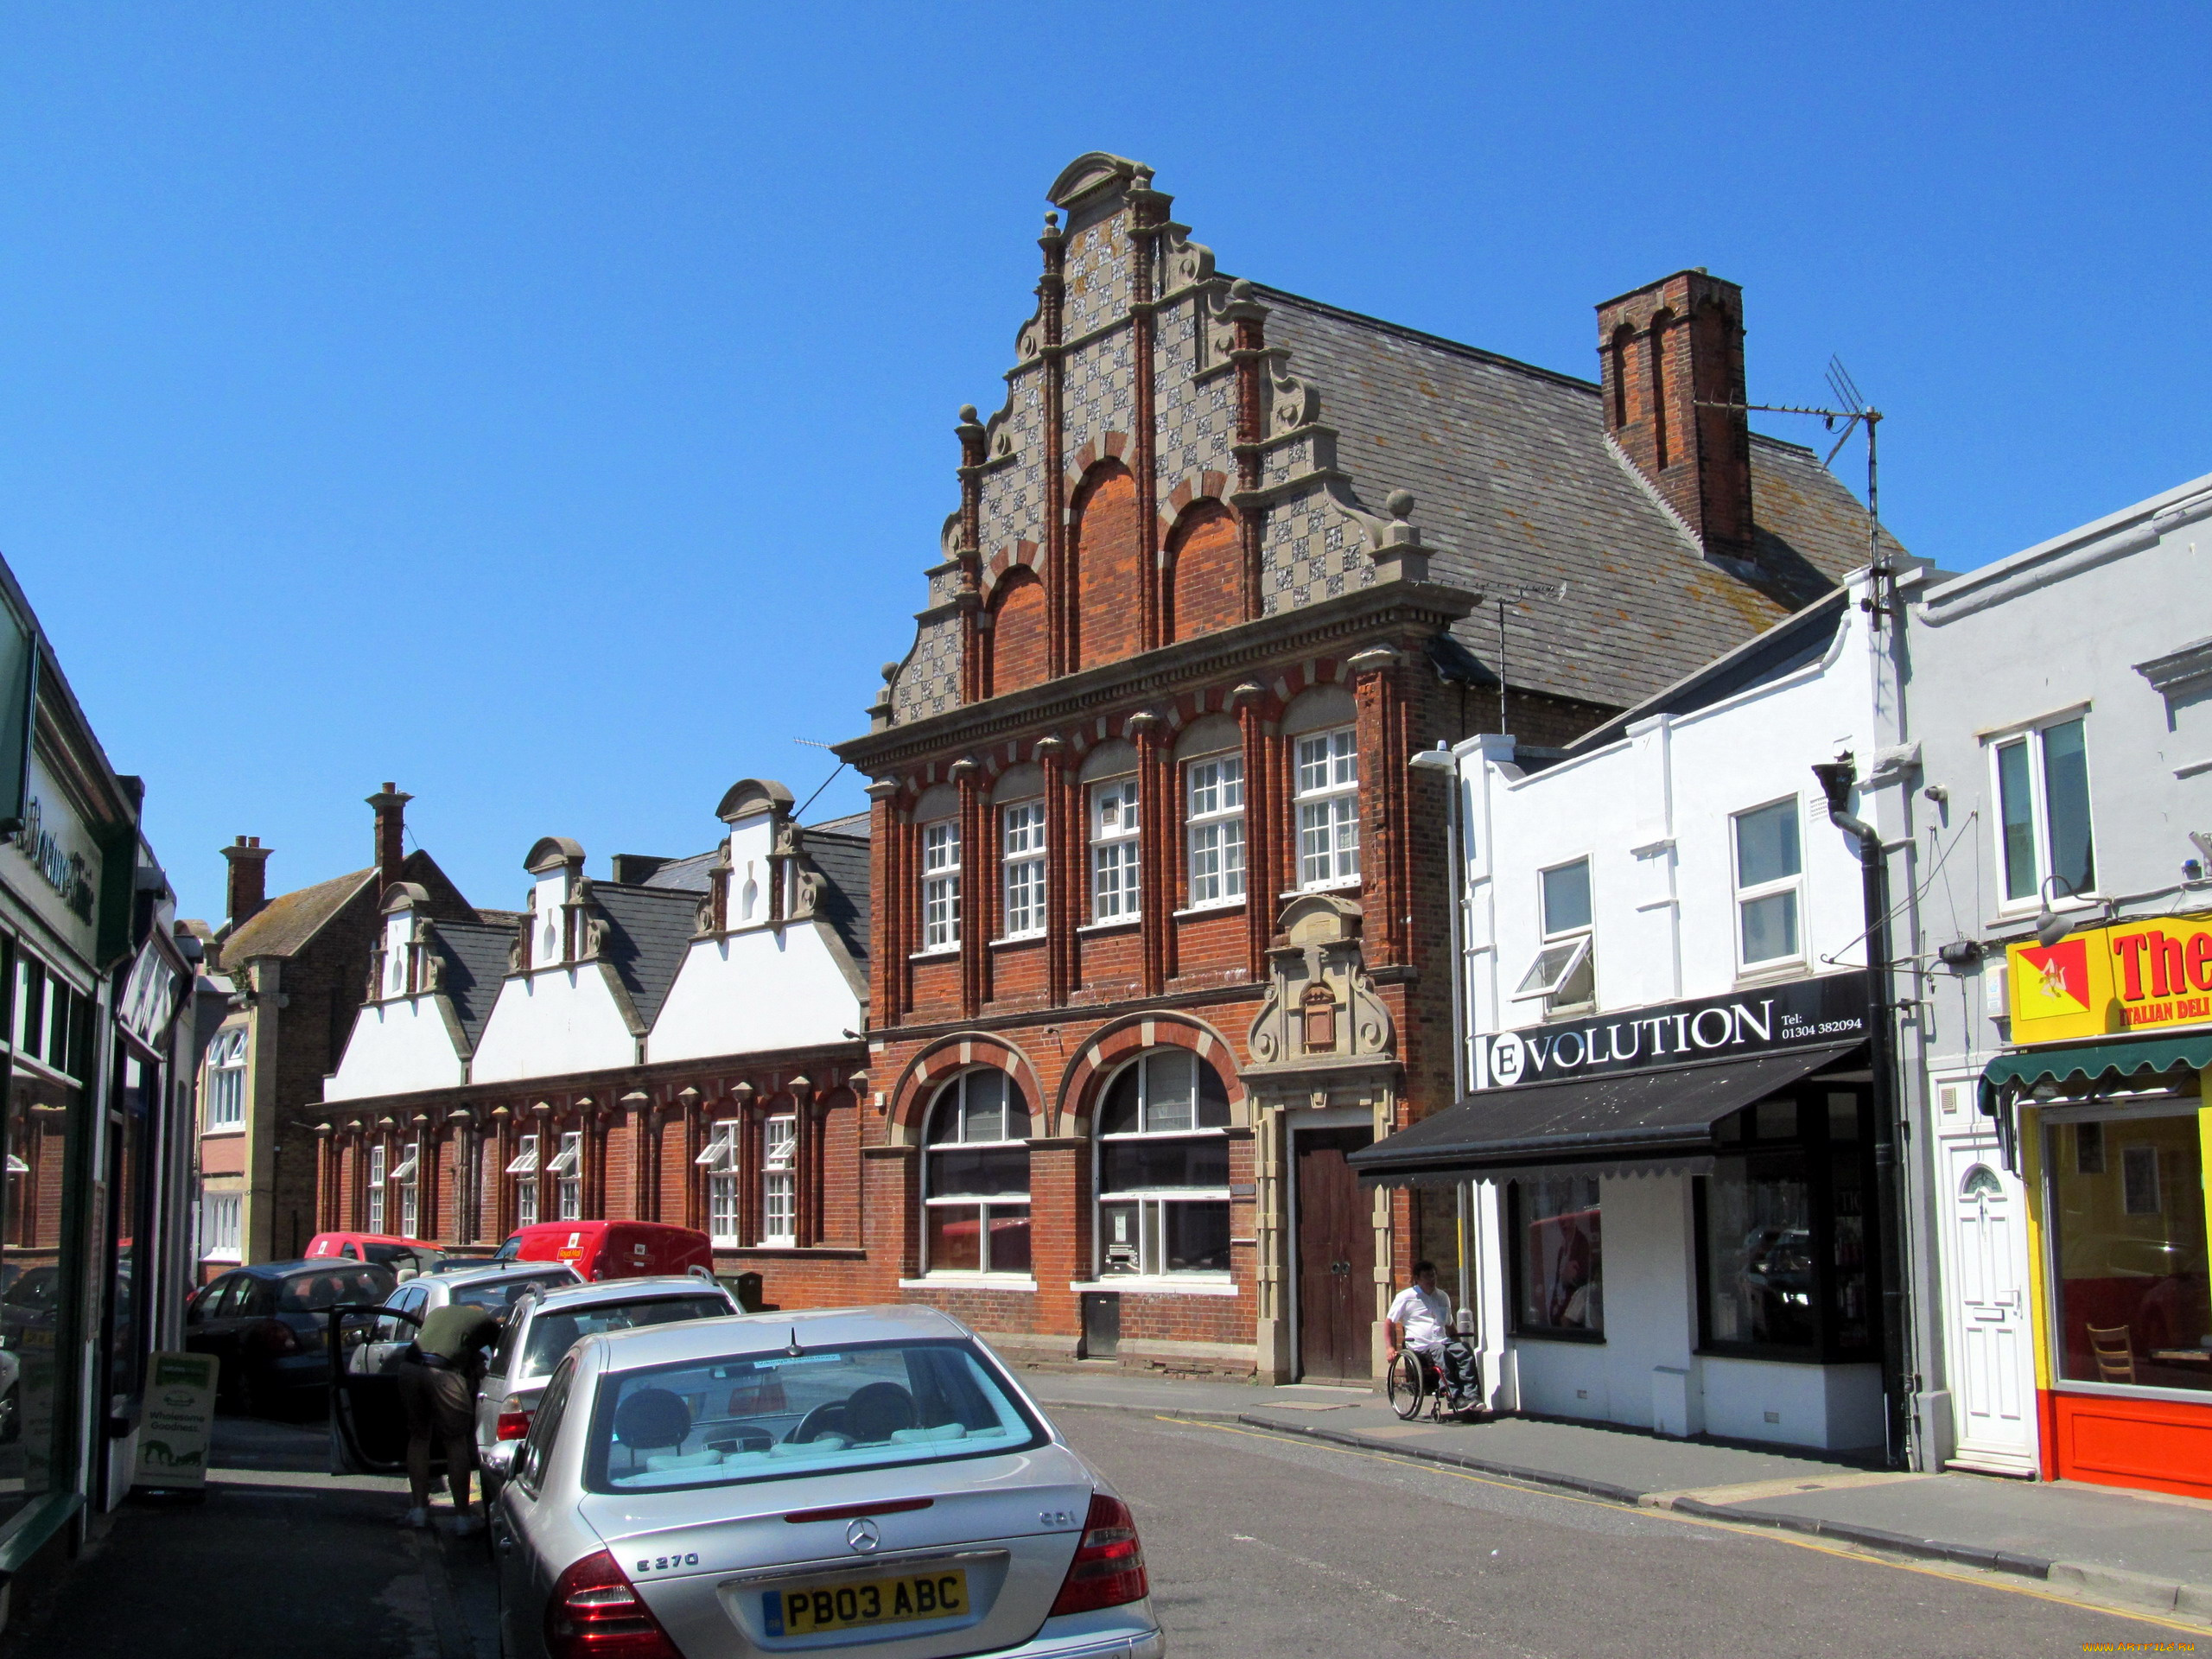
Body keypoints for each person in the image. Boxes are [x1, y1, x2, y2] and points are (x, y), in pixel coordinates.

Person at [397, 1298, 501, 1534]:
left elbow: (442, 1342)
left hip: (409, 1367)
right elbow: (500, 1357)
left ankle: (418, 1512)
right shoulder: (487, 1321)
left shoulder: (439, 1312)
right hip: (443, 1373)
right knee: (455, 1441)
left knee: (419, 1437)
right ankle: (463, 1518)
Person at [1385, 1260, 1474, 1406]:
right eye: (1426, 1277)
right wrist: (1390, 1347)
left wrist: (1457, 1342)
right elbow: (1389, 1322)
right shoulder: (1406, 1297)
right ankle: (1454, 1396)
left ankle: (1472, 1396)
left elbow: (1449, 1324)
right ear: (1417, 1279)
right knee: (1440, 1350)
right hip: (1420, 1346)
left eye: (1433, 1276)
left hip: (1442, 1341)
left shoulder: (1442, 1296)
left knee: (1465, 1351)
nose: (1431, 1280)